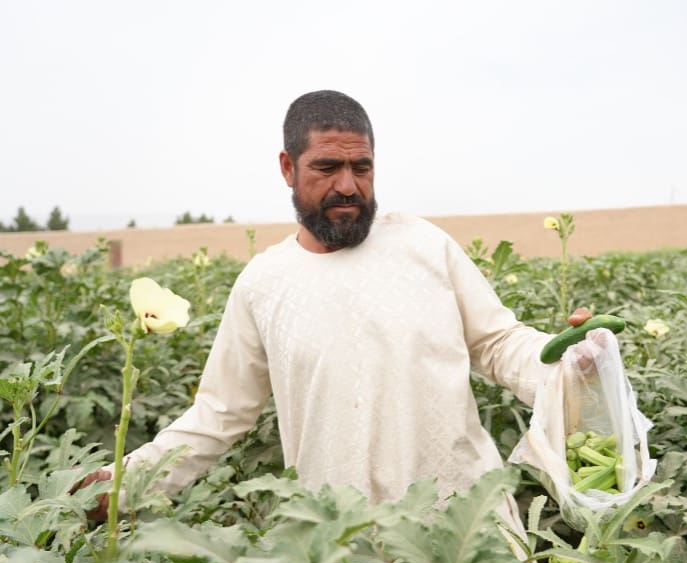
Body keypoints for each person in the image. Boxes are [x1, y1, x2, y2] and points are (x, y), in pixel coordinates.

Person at [76, 90, 603, 540]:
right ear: (288, 168)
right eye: (327, 168)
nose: (348, 185)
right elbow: (219, 412)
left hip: (466, 531)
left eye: (362, 168)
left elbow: (498, 343)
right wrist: (127, 481)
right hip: (342, 548)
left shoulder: (424, 246)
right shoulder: (263, 283)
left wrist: (563, 360)